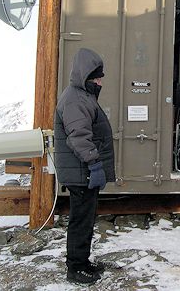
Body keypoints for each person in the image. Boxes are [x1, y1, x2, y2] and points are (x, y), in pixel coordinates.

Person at [54, 48, 115, 285]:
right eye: (96, 78)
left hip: (83, 171)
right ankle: (76, 268)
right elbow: (79, 136)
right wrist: (94, 164)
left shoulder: (82, 96)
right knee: (80, 221)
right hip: (81, 171)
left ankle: (82, 261)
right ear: (85, 76)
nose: (100, 82)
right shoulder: (75, 99)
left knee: (85, 219)